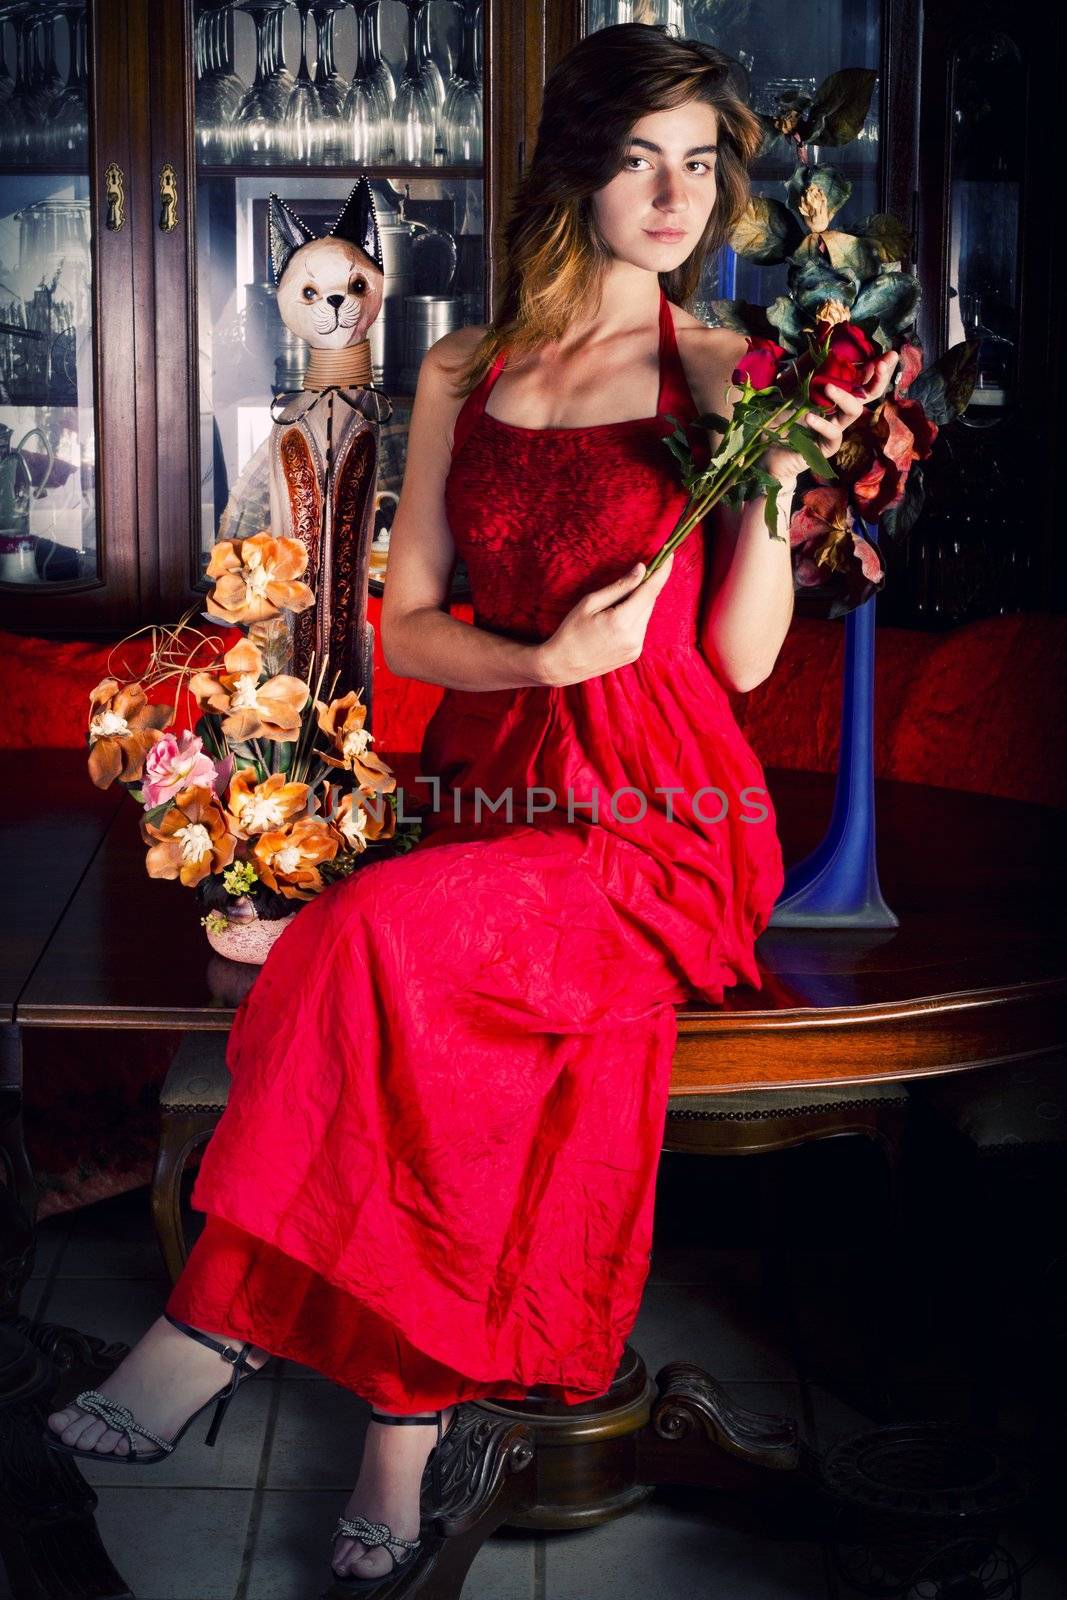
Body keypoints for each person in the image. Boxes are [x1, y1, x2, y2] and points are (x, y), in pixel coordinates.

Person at [44, 21, 897, 1590]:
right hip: (508, 783)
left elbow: (746, 655)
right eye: (642, 154)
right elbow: (408, 625)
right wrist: (544, 654)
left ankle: (214, 1324)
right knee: (431, 1016)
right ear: (576, 161)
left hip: (664, 811)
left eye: (700, 164)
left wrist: (778, 484)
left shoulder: (723, 366)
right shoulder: (461, 367)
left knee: (366, 937)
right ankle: (403, 1421)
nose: (674, 193)